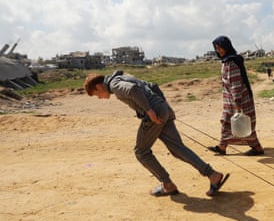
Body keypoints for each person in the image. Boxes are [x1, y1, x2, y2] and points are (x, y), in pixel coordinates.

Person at [83, 70, 229, 197]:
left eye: (97, 95)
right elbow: (152, 86)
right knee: (178, 149)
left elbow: (133, 90)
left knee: (141, 152)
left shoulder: (115, 85)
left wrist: (149, 110)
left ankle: (167, 184)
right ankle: (213, 175)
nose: (100, 98)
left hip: (154, 114)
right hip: (162, 109)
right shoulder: (123, 77)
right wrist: (163, 107)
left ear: (98, 86)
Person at [208, 35, 265, 156]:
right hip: (231, 102)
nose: (218, 51)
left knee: (242, 124)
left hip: (239, 101)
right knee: (229, 122)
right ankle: (223, 146)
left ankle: (255, 148)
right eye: (216, 49)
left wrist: (238, 104)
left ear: (226, 47)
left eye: (220, 48)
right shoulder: (226, 61)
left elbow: (235, 84)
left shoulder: (231, 63)